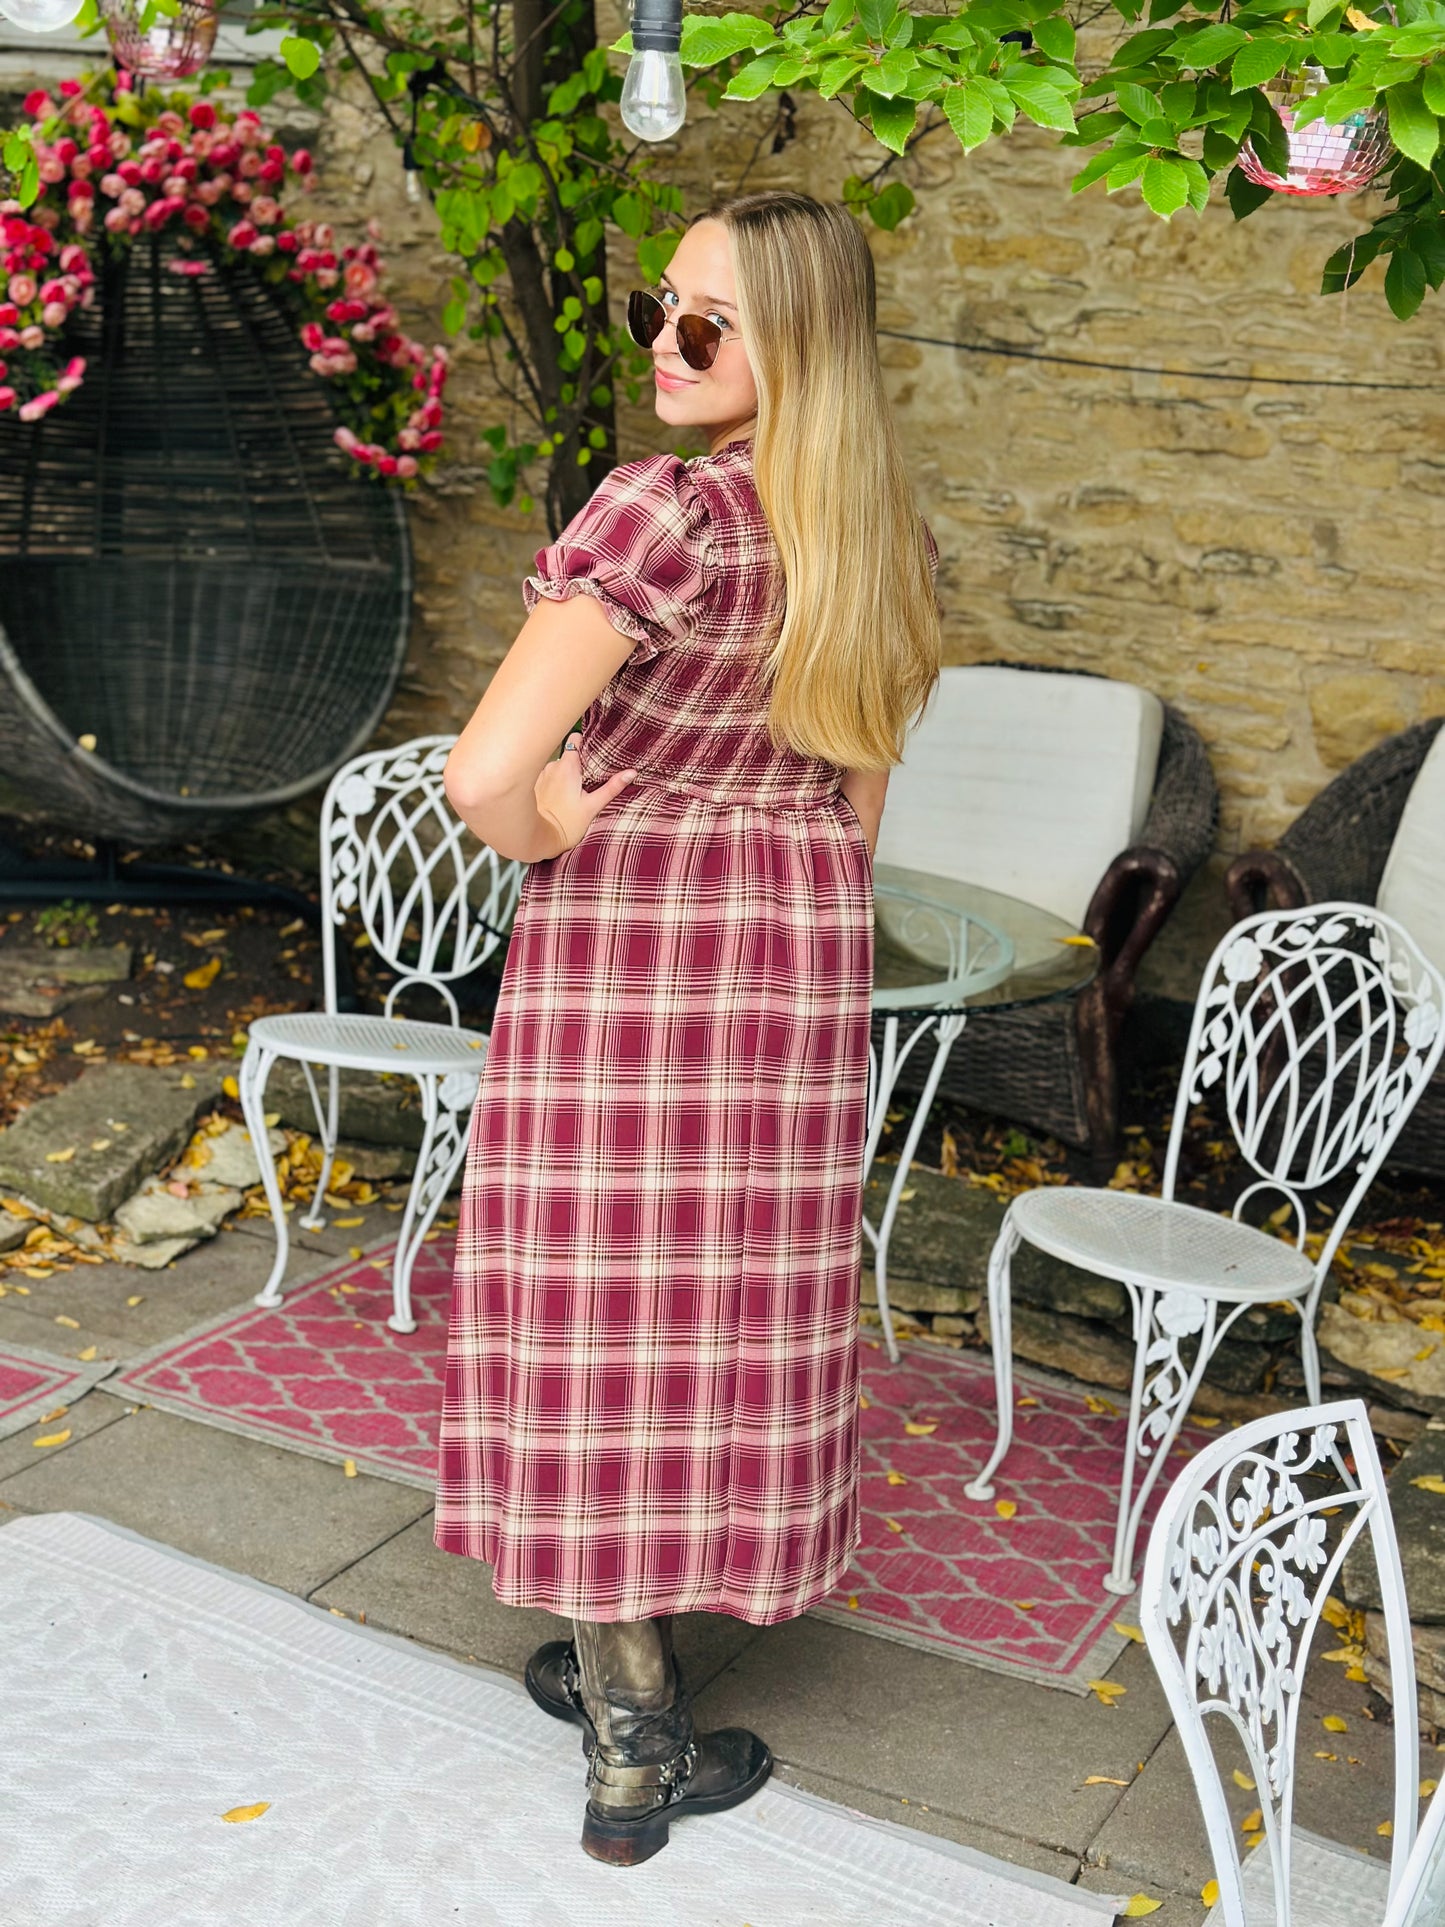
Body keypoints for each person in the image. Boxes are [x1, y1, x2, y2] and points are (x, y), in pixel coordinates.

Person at [433, 189, 942, 1867]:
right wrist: (803, 939)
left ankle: (632, 1735)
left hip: (636, 935)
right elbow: (859, 806)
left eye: (704, 322)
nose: (665, 340)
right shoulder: (876, 531)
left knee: (592, 1300)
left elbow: (482, 776)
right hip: (792, 947)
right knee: (716, 1303)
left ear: (791, 342)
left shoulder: (661, 511)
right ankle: (626, 1649)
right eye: (659, 307)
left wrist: (541, 833)